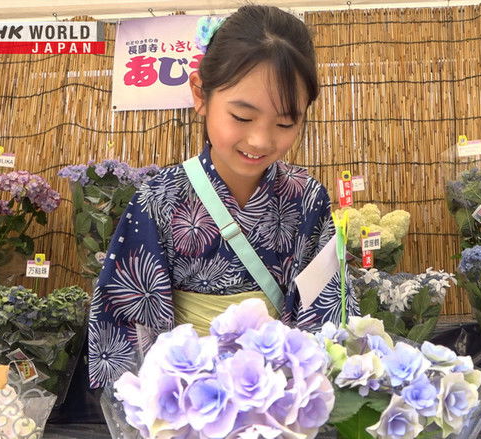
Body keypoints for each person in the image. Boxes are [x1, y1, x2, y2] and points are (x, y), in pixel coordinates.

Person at [88, 5, 357, 389]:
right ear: (200, 94)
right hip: (188, 396)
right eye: (242, 117)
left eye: (285, 122)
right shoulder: (157, 199)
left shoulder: (307, 198)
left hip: (279, 394)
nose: (261, 140)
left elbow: (329, 311)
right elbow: (125, 323)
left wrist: (306, 393)